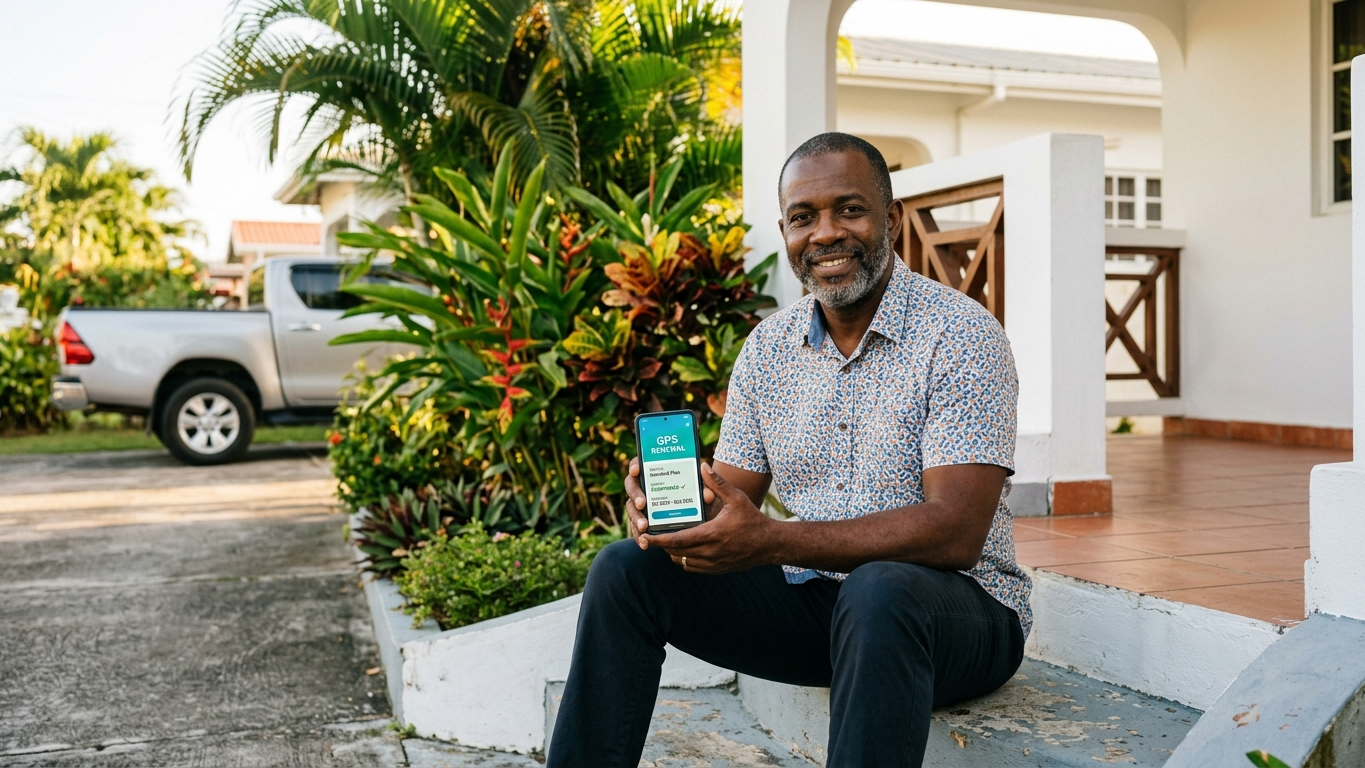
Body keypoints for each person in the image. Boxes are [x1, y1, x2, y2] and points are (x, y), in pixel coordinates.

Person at [547, 132, 1030, 768]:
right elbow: (729, 503)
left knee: (879, 591)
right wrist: (672, 510)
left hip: (961, 617)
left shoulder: (963, 336)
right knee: (625, 571)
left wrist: (774, 540)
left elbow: (955, 534)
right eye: (804, 218)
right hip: (823, 613)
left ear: (890, 218)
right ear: (785, 232)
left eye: (849, 210)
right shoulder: (769, 351)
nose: (825, 233)